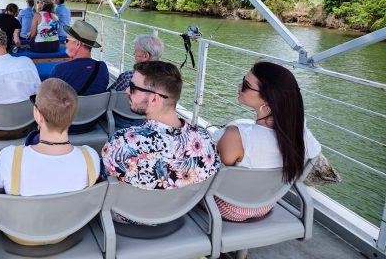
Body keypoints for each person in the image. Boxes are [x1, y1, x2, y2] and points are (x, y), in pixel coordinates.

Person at [0, 78, 100, 246]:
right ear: (73, 116)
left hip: (19, 235)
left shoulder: (10, 156)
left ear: (38, 115)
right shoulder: (91, 157)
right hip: (67, 230)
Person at [102, 61, 220, 223]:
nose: (127, 90)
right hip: (179, 213)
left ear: (154, 99)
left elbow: (105, 179)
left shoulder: (123, 142)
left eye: (133, 87)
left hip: (129, 217)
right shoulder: (205, 139)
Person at [213, 62, 321, 222]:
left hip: (228, 208)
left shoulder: (237, 136)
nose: (239, 85)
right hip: (266, 204)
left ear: (268, 101)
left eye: (246, 85)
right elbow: (314, 152)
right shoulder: (299, 134)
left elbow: (217, 168)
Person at [49, 20, 108, 96]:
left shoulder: (60, 70)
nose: (64, 43)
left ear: (77, 44)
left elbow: (49, 99)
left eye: (67, 40)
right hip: (97, 108)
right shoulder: (102, 68)